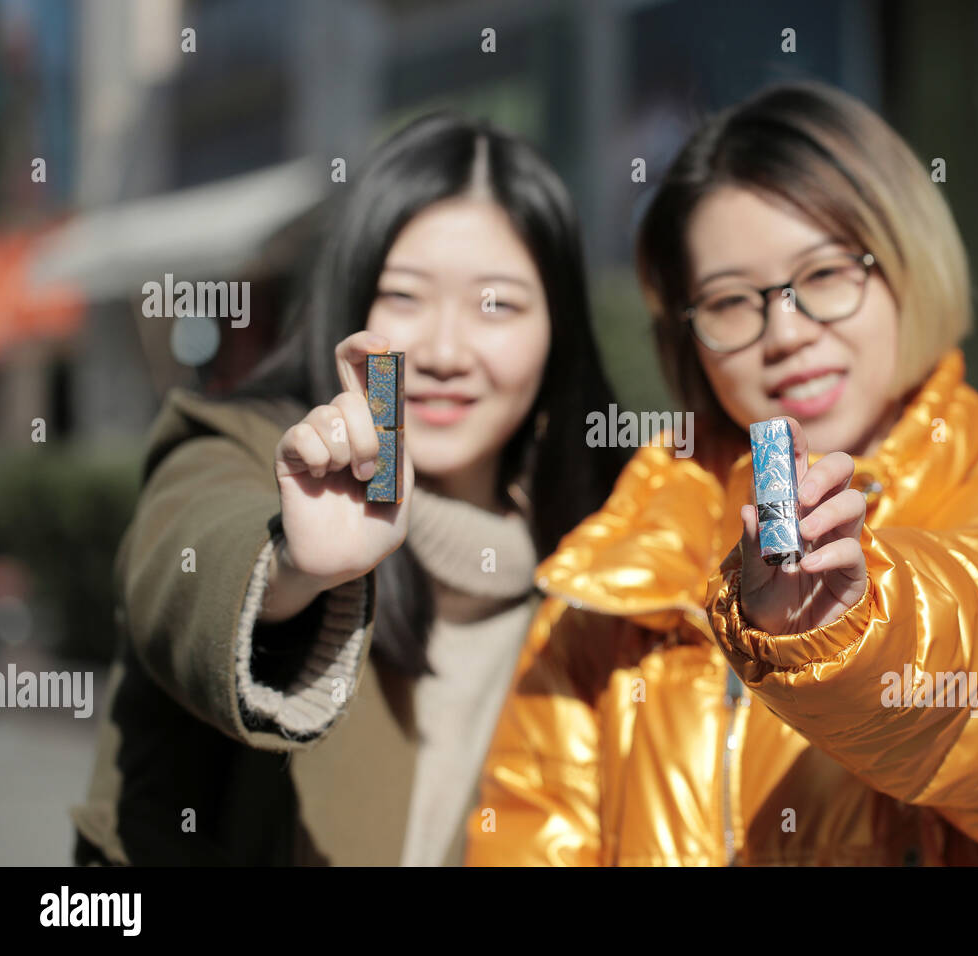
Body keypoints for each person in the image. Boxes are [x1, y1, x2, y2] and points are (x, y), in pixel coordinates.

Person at [466, 80, 978, 866]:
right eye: (728, 301)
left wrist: (854, 626)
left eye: (825, 276)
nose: (784, 332)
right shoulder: (615, 585)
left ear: (907, 264)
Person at [71, 111, 627, 865]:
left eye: (496, 303)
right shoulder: (253, 451)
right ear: (348, 302)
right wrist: (295, 571)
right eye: (403, 296)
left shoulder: (613, 556)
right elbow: (186, 559)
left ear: (557, 333)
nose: (443, 350)